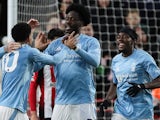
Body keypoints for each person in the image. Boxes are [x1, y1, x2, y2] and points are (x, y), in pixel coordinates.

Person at [36, 3, 101, 120]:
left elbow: (95, 62)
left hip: (83, 100)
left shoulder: (91, 42)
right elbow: (37, 66)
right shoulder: (55, 44)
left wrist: (75, 48)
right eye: (67, 18)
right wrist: (37, 50)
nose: (68, 21)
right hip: (61, 101)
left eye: (72, 19)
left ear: (81, 22)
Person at [0, 19, 73, 120]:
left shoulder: (6, 54)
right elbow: (56, 60)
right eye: (31, 34)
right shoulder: (30, 52)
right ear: (28, 38)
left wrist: (3, 48)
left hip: (5, 106)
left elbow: (34, 68)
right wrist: (66, 47)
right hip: (14, 109)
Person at [100, 27, 160, 120]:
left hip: (141, 111)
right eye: (118, 37)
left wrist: (142, 86)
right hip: (121, 111)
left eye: (125, 36)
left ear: (134, 40)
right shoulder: (116, 60)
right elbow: (115, 84)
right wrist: (107, 100)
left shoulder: (144, 57)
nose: (120, 39)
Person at [28, 28, 65, 120]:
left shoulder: (67, 59)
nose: (57, 46)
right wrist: (33, 113)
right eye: (54, 42)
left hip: (65, 107)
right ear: (48, 41)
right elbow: (32, 86)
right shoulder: (41, 61)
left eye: (60, 42)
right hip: (46, 109)